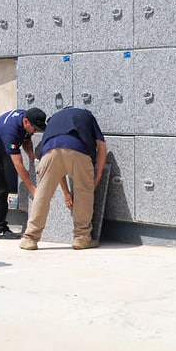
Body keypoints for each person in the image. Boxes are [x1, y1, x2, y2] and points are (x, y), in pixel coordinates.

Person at [19, 107, 107, 251]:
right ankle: (81, 238)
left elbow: (59, 167)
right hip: (79, 150)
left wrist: (66, 192)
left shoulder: (53, 119)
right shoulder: (87, 115)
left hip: (49, 153)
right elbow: (102, 148)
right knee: (84, 193)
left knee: (42, 195)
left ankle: (30, 238)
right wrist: (97, 178)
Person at [0, 108, 47, 239]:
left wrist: (30, 154)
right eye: (34, 129)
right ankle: (0, 228)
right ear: (26, 121)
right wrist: (32, 189)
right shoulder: (10, 131)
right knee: (0, 190)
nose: (35, 132)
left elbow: (26, 139)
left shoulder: (26, 118)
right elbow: (18, 164)